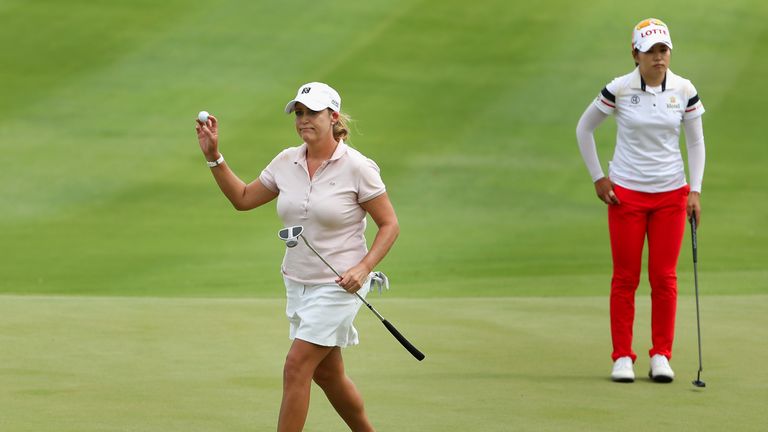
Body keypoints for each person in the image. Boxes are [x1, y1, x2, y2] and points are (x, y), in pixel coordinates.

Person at [196, 82, 399, 431]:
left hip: (341, 284)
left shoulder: (357, 167)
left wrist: (364, 269)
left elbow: (389, 224)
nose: (303, 119)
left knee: (296, 366)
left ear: (333, 117)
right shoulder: (286, 161)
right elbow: (243, 198)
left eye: (312, 113)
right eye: (299, 113)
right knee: (328, 375)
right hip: (298, 282)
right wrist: (214, 156)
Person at [575, 18, 706, 383]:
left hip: (671, 194)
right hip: (626, 196)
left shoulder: (683, 89)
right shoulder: (619, 88)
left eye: (663, 50)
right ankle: (622, 357)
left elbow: (696, 142)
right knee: (625, 278)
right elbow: (584, 128)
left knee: (664, 278)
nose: (658, 57)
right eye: (650, 51)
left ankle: (661, 354)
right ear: (635, 54)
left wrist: (694, 190)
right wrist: (598, 177)